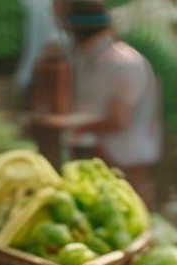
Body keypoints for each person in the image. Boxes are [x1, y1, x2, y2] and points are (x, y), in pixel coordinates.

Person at [38, 0, 162, 204]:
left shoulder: (123, 63)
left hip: (126, 158)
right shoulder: (90, 58)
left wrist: (62, 123)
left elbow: (117, 120)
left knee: (131, 209)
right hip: (101, 155)